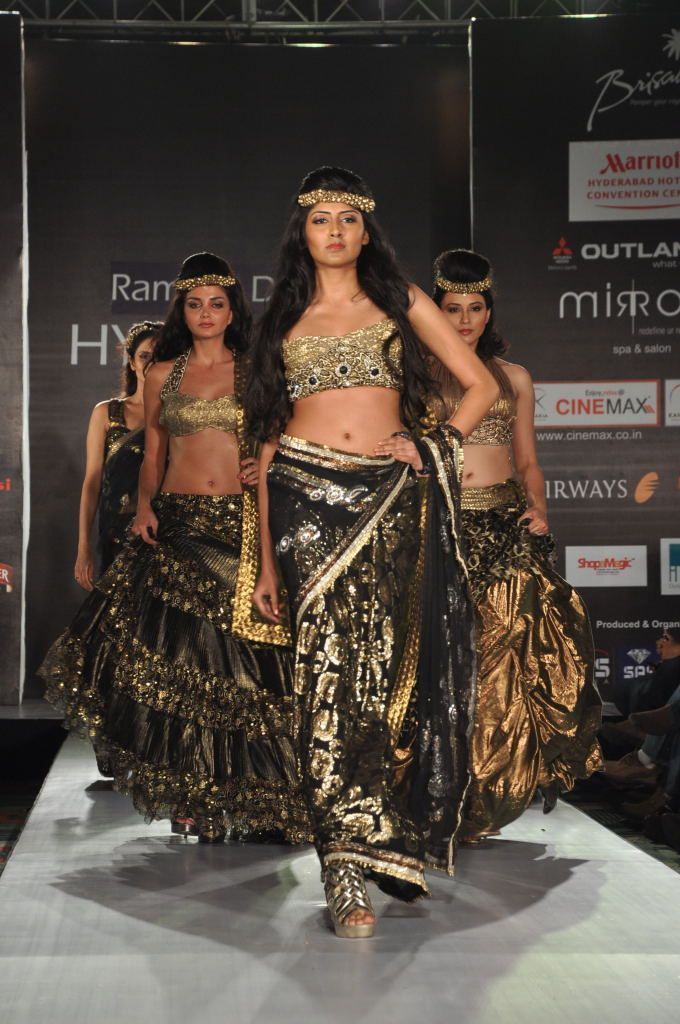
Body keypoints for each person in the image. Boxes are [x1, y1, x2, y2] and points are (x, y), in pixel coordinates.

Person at [247, 167, 498, 938]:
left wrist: (435, 443)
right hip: (300, 499)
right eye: (320, 218)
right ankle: (342, 865)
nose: (334, 230)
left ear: (365, 232)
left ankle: (385, 831)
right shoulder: (281, 316)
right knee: (325, 672)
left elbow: (480, 386)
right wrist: (263, 559)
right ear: (303, 232)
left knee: (388, 673)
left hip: (387, 502)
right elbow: (262, 439)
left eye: (347, 219)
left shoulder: (401, 301)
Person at [40, 253, 310, 844]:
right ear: (181, 312)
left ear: (233, 310)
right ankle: (191, 794)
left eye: (216, 303)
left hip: (240, 524)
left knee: (242, 663)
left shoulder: (256, 370)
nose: (206, 313)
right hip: (179, 523)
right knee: (182, 662)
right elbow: (155, 453)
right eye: (194, 304)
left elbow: (284, 435)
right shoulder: (162, 372)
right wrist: (145, 506)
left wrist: (266, 463)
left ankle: (250, 791)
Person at [430, 248, 602, 839]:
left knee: (503, 666)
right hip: (442, 527)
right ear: (435, 311)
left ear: (489, 312)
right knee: (449, 666)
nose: (465, 320)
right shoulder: (414, 378)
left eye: (475, 308)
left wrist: (539, 508)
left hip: (505, 527)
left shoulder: (514, 377)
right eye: (452, 309)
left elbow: (527, 460)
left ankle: (485, 798)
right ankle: (442, 794)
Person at [74, 321, 162, 590]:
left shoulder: (176, 416)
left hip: (163, 531)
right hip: (114, 533)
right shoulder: (107, 413)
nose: (150, 363)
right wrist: (84, 546)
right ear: (132, 362)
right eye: (144, 356)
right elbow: (92, 482)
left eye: (158, 357)